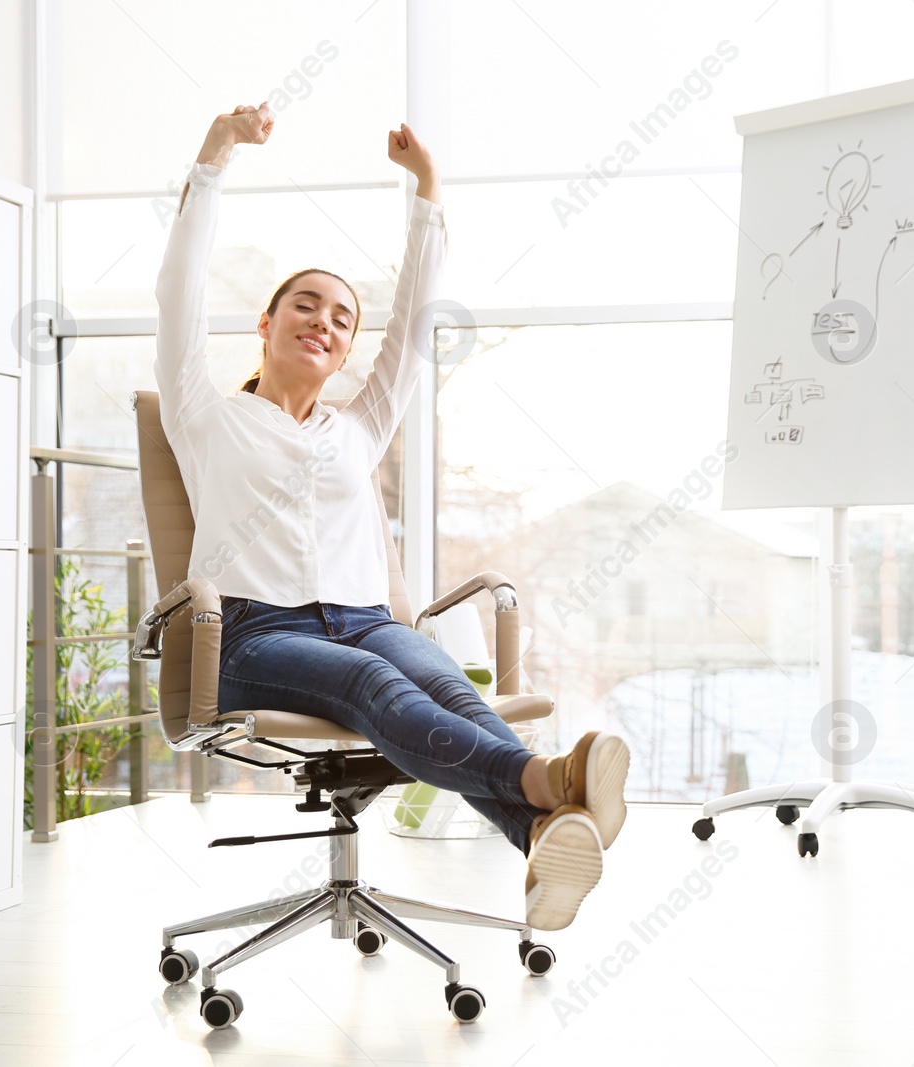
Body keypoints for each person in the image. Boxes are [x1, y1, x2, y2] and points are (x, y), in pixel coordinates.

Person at [154, 102, 628, 931]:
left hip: (364, 619)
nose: (325, 323)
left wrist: (428, 194)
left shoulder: (358, 428)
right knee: (376, 682)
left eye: (341, 318)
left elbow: (411, 331)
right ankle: (549, 784)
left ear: (344, 352)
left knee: (445, 681)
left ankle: (543, 834)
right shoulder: (204, 413)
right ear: (265, 326)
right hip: (256, 634)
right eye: (305, 305)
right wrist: (217, 153)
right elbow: (178, 290)